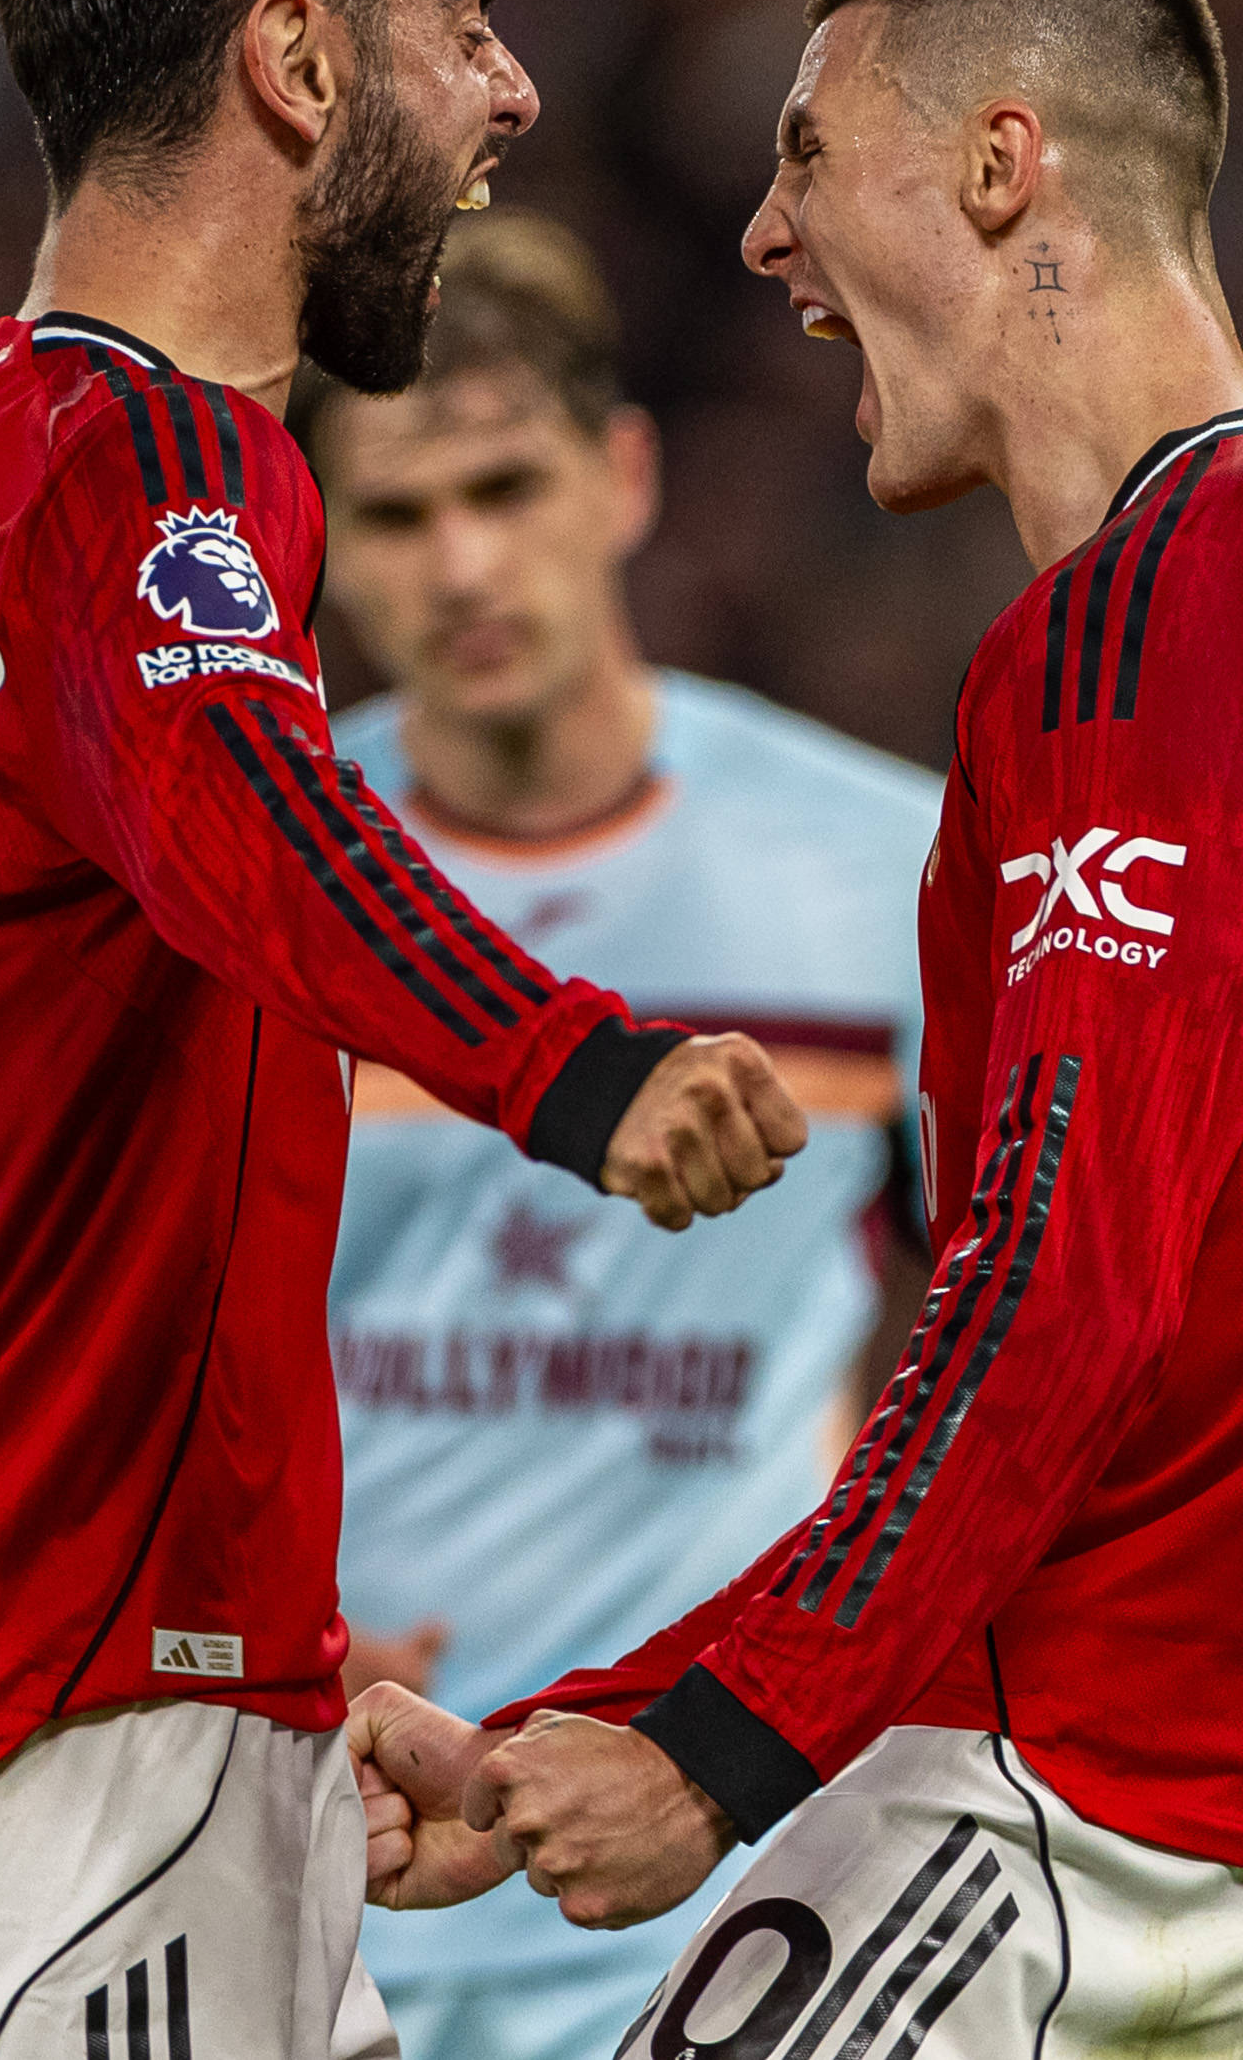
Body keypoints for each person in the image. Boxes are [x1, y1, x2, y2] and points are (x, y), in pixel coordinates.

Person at [352, 0, 1243, 2060]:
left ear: (1002, 168)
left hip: (1088, 1795)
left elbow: (1049, 1286)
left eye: (810, 154)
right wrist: (614, 1714)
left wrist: (708, 1753)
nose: (759, 235)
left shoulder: (1164, 617)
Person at [0, 0, 813, 2060]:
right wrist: (578, 1064)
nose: (511, 89)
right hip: (44, 1750)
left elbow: (86, 1115)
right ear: (294, 64)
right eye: (463, 17)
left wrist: (293, 1695)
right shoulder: (153, 453)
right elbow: (255, 823)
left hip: (38, 1696)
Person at [295, 209, 938, 2060]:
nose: (465, 563)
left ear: (624, 474)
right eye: (400, 519)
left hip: (745, 1883)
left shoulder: (885, 874)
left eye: (506, 485)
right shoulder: (264, 893)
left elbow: (1023, 1341)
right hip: (332, 1845)